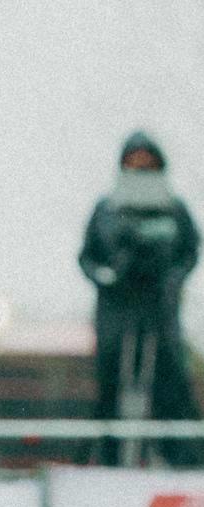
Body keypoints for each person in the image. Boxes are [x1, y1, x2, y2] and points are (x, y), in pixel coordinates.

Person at [80, 131, 201, 463]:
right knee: (111, 387)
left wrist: (172, 279)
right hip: (118, 312)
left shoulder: (174, 210)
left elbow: (190, 252)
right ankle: (109, 457)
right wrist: (109, 276)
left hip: (159, 313)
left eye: (147, 164)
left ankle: (179, 459)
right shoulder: (106, 209)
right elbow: (87, 257)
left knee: (170, 385)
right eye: (133, 164)